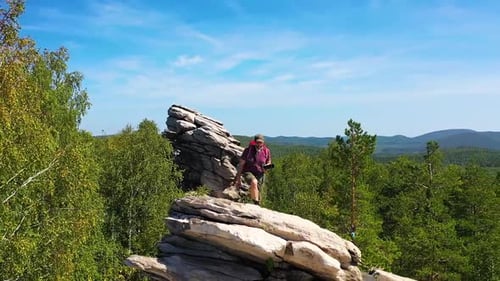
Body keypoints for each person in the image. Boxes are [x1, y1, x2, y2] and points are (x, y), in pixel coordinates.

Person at [234, 134, 272, 205]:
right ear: (254, 142)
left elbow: (269, 161)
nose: (259, 144)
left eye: (261, 142)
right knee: (254, 182)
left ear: (263, 143)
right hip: (248, 171)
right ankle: (256, 204)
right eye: (257, 142)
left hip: (260, 173)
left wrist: (267, 166)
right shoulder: (248, 151)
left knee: (258, 193)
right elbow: (241, 164)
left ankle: (256, 204)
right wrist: (238, 178)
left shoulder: (266, 151)